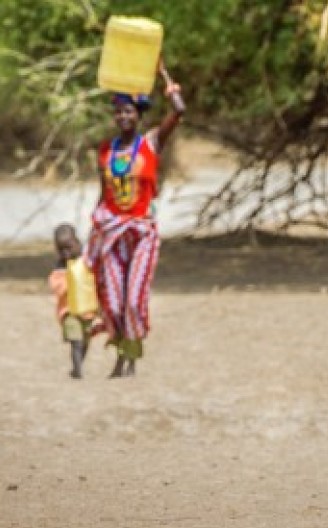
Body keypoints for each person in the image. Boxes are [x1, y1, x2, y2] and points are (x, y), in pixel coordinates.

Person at [84, 65, 185, 378]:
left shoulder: (151, 143)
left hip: (141, 232)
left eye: (128, 111)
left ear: (138, 115)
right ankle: (119, 353)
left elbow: (179, 111)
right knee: (113, 302)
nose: (123, 117)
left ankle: (128, 361)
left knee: (132, 299)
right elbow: (104, 195)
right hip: (112, 231)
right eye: (118, 112)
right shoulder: (105, 151)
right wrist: (93, 237)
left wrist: (165, 77)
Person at [49, 223, 97, 378]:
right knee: (75, 341)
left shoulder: (86, 261)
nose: (66, 253)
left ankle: (78, 365)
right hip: (69, 311)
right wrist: (68, 283)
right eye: (61, 250)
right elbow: (56, 285)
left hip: (87, 311)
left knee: (85, 341)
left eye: (69, 247)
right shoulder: (60, 267)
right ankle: (78, 370)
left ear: (77, 242)